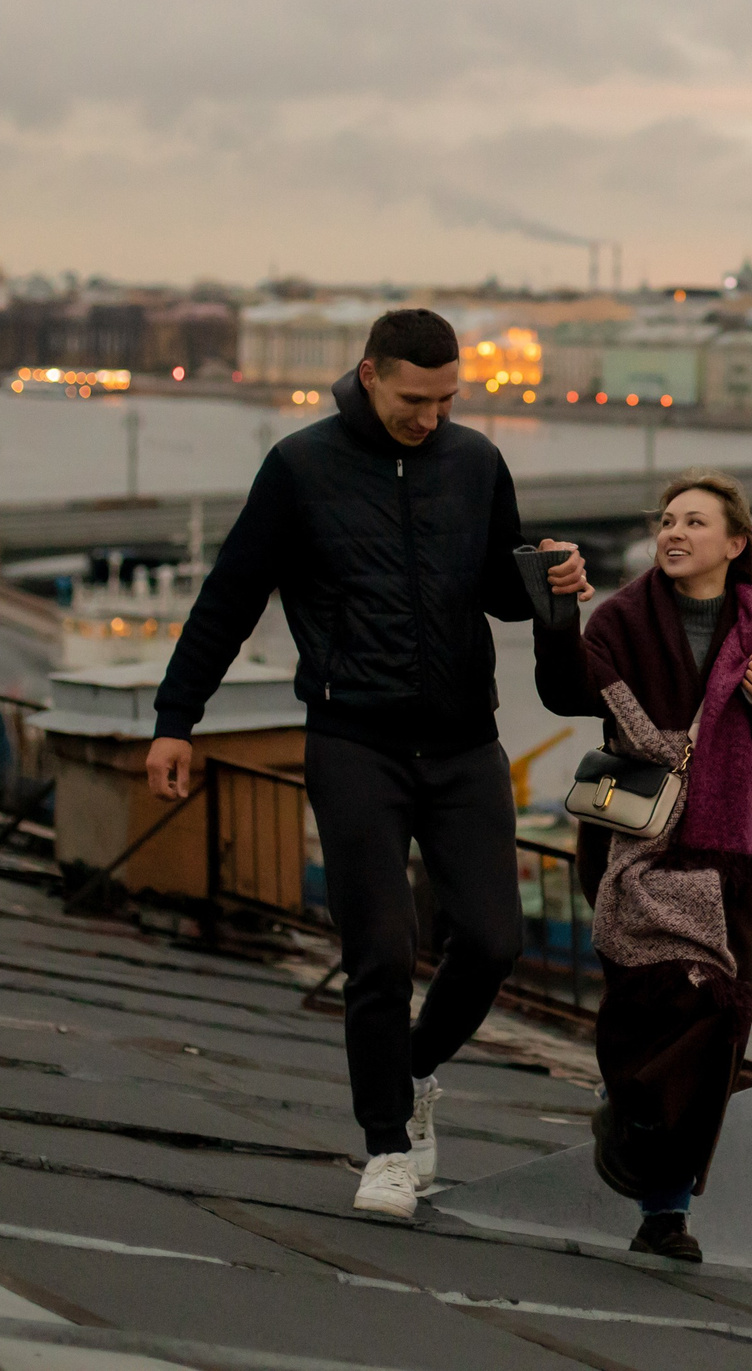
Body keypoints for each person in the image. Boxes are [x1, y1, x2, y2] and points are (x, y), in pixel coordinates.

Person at [143, 308, 590, 1218]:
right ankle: (386, 1146)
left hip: (466, 743)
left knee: (495, 939)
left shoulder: (475, 462)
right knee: (381, 949)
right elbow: (229, 597)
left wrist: (552, 576)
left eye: (448, 398)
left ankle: (415, 1070)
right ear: (370, 375)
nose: (433, 416)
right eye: (416, 399)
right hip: (355, 742)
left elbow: (499, 590)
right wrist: (175, 719)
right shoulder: (300, 468)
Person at [534, 469, 752, 1263]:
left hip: (726, 863)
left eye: (695, 521)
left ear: (735, 543)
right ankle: (639, 1141)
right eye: (667, 519)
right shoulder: (623, 616)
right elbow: (564, 690)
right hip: (636, 850)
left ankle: (663, 1203)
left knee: (721, 1022)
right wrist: (557, 616)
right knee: (648, 1008)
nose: (674, 531)